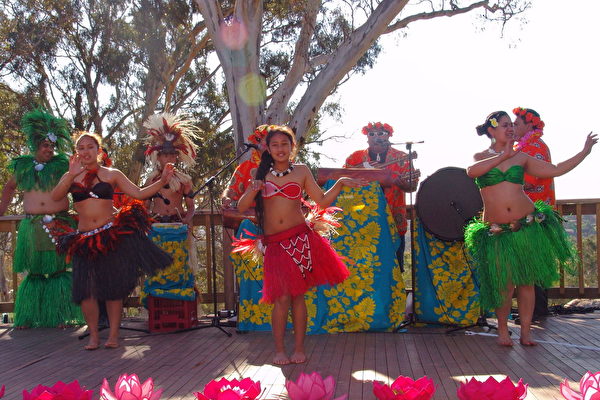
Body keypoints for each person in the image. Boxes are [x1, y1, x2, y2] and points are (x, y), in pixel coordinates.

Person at [465, 111, 596, 346]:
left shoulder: (522, 158)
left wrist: (584, 152)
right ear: (491, 130)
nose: (510, 128)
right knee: (503, 284)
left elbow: (555, 169)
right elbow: (471, 171)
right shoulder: (481, 157)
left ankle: (526, 332)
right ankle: (503, 331)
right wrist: (503, 156)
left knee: (526, 282)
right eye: (505, 125)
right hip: (498, 232)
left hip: (524, 226)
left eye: (511, 125)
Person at [237, 125, 365, 365]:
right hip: (276, 244)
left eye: (284, 144)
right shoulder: (258, 172)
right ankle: (279, 350)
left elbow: (321, 201)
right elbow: (242, 207)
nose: (280, 149)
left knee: (297, 297)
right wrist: (254, 190)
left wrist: (339, 183)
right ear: (268, 149)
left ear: (292, 147)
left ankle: (298, 348)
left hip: (301, 240)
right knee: (281, 298)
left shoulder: (302, 171)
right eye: (275, 145)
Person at [51, 131, 174, 350]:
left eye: (90, 147)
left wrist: (163, 181)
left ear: (98, 150)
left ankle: (114, 335)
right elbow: (55, 197)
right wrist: (70, 175)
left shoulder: (111, 174)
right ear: (76, 152)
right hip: (84, 240)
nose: (85, 151)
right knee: (86, 292)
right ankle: (94, 336)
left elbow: (139, 193)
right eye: (81, 148)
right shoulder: (71, 175)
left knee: (112, 289)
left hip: (109, 236)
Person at [0, 109, 83, 328]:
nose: (49, 149)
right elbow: (9, 187)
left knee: (58, 271)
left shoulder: (62, 165)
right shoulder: (23, 167)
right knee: (35, 272)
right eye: (45, 145)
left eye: (52, 146)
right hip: (33, 225)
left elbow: (77, 186)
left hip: (59, 222)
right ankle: (29, 318)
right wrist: (1, 210)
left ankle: (60, 317)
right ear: (36, 145)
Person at [344, 122, 419, 270]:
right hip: (363, 220)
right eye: (371, 134)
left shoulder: (402, 157)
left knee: (394, 266)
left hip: (393, 218)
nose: (376, 137)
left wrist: (404, 184)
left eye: (381, 133)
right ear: (367, 138)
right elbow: (342, 183)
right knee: (365, 267)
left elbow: (413, 186)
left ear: (388, 136)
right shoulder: (355, 158)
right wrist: (359, 173)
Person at [512, 107, 555, 318]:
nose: (512, 127)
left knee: (533, 263)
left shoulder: (534, 147)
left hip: (535, 214)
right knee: (530, 262)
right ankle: (534, 312)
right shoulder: (526, 146)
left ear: (530, 125)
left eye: (516, 124)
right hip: (529, 212)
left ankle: (536, 312)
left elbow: (529, 181)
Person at [143, 112, 198, 226]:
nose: (170, 159)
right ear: (159, 157)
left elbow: (191, 207)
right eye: (166, 155)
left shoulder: (184, 180)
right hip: (156, 224)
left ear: (177, 157)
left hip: (178, 223)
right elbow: (145, 207)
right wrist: (148, 218)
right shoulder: (151, 181)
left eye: (173, 156)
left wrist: (187, 219)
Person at [221, 124, 269, 209]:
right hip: (250, 215)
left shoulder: (283, 164)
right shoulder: (244, 167)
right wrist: (225, 197)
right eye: (268, 140)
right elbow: (231, 190)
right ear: (257, 141)